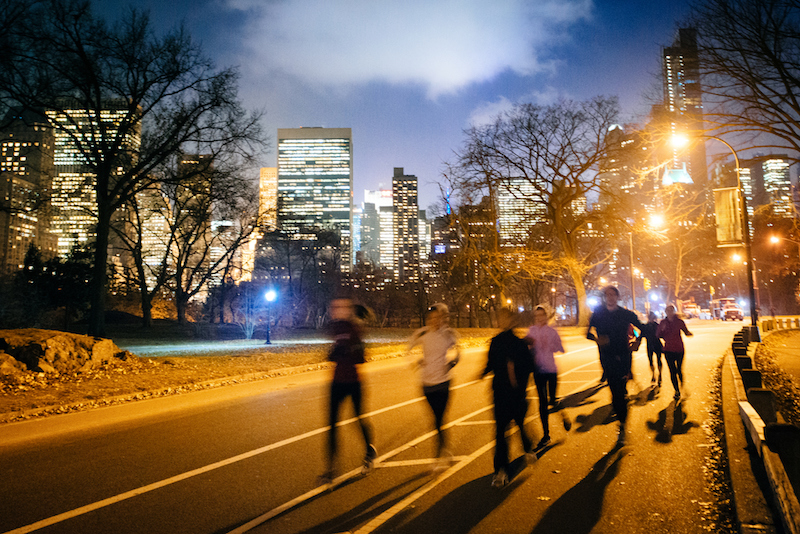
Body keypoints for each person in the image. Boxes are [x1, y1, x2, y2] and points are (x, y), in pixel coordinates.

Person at [319, 297, 376, 484]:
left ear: (348, 310)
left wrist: (348, 352)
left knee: (359, 419)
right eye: (334, 307)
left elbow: (362, 358)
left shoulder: (355, 329)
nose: (335, 310)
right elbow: (332, 352)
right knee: (332, 424)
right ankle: (330, 468)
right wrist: (334, 353)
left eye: (340, 307)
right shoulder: (335, 328)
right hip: (336, 382)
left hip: (354, 382)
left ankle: (369, 450)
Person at [481, 307, 536, 488]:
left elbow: (529, 366)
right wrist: (482, 372)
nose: (501, 321)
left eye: (505, 318)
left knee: (520, 425)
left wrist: (515, 374)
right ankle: (501, 470)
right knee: (500, 432)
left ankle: (528, 447)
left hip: (516, 393)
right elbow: (490, 363)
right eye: (499, 318)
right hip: (500, 393)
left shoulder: (519, 344)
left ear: (512, 321)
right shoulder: (495, 342)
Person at [586, 286, 643, 446]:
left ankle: (622, 425)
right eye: (607, 295)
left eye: (613, 294)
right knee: (615, 393)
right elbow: (587, 333)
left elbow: (642, 329)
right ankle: (622, 421)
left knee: (621, 393)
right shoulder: (598, 314)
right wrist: (596, 340)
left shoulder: (625, 314)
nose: (610, 297)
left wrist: (637, 342)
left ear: (618, 297)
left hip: (624, 357)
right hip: (607, 358)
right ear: (605, 297)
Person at [407, 303, 461, 468]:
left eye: (438, 317)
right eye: (432, 318)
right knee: (437, 420)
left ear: (443, 318)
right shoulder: (422, 333)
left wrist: (452, 363)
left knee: (438, 419)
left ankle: (439, 455)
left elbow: (459, 352)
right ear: (428, 319)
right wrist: (416, 361)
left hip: (444, 383)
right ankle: (446, 449)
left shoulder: (448, 334)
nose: (435, 321)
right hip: (427, 384)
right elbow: (408, 349)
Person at [525, 305, 570, 449]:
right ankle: (546, 435)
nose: (539, 318)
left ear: (546, 316)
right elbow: (525, 346)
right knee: (542, 403)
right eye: (537, 316)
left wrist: (553, 345)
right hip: (538, 371)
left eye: (542, 315)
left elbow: (562, 349)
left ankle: (563, 414)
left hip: (551, 370)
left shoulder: (552, 331)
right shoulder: (531, 331)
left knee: (553, 401)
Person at [657, 305, 693, 400]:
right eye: (667, 310)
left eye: (671, 310)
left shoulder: (679, 322)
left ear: (674, 312)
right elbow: (658, 335)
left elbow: (686, 331)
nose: (669, 312)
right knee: (672, 371)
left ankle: (681, 383)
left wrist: (689, 334)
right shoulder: (663, 322)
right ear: (665, 312)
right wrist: (662, 330)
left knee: (679, 370)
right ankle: (676, 390)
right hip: (668, 350)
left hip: (679, 349)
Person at [640, 311, 664, 385]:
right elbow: (662, 335)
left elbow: (640, 336)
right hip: (656, 344)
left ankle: (655, 375)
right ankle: (658, 375)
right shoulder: (657, 325)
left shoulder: (646, 326)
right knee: (657, 360)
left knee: (652, 361)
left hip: (650, 345)